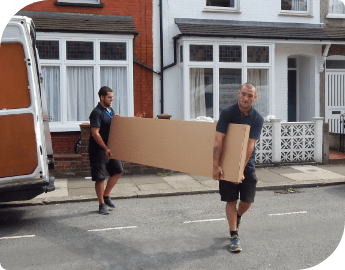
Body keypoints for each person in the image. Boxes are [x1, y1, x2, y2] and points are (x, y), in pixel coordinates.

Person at [213, 82, 264, 252]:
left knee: (247, 201)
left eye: (250, 95)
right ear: (238, 94)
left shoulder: (257, 118)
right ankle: (234, 234)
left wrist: (240, 170)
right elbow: (218, 140)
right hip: (227, 164)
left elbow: (250, 146)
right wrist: (216, 165)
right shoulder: (227, 113)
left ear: (254, 97)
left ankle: (238, 216)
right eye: (243, 94)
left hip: (247, 166)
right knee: (231, 200)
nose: (246, 98)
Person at [89, 86, 123, 215]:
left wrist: (116, 119)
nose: (111, 99)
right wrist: (105, 148)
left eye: (112, 97)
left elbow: (110, 125)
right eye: (109, 97)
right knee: (100, 177)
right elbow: (95, 133)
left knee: (118, 171)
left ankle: (106, 196)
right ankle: (101, 204)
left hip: (110, 147)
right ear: (102, 97)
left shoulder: (110, 109)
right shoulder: (96, 112)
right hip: (98, 149)